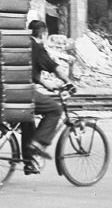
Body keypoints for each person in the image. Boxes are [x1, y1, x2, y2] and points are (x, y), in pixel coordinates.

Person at [20, 19, 73, 175]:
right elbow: (55, 68)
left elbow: (30, 72)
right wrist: (68, 81)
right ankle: (38, 144)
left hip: (12, 91)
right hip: (25, 93)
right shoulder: (38, 48)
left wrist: (46, 84)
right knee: (55, 110)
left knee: (28, 122)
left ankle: (29, 163)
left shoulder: (22, 45)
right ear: (43, 35)